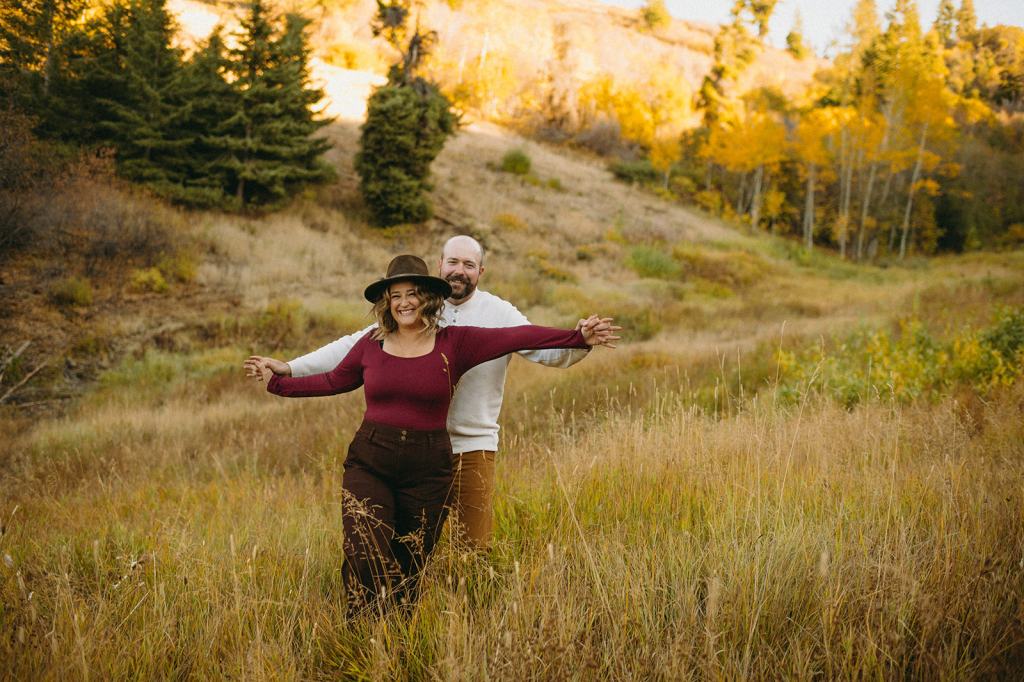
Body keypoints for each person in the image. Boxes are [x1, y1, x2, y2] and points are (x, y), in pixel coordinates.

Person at [246, 254, 618, 612]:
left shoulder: (455, 342)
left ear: (427, 297)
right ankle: (363, 628)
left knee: (411, 563)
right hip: (371, 459)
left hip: (428, 468)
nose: (404, 303)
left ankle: (398, 636)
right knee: (365, 547)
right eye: (395, 296)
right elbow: (333, 380)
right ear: (386, 303)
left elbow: (517, 336)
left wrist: (576, 337)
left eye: (411, 294)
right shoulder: (371, 343)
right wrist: (279, 383)